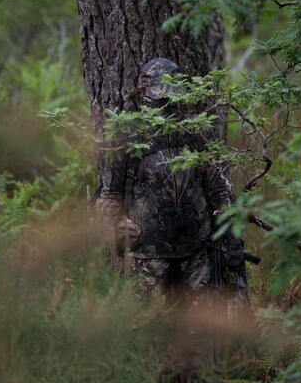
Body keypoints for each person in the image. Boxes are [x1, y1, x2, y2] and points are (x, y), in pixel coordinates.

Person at [97, 57, 249, 308]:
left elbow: (219, 190)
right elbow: (111, 195)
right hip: (147, 250)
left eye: (167, 93)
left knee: (202, 328)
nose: (161, 99)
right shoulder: (127, 134)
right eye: (155, 93)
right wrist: (113, 230)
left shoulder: (196, 130)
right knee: (142, 325)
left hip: (197, 248)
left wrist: (231, 238)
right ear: (143, 92)